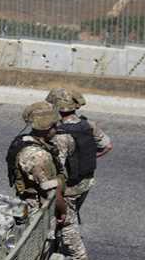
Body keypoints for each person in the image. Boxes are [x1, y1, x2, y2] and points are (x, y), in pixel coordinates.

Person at [8, 101, 92, 260]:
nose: (57, 128)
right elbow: (52, 193)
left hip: (30, 202)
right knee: (39, 249)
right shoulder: (39, 156)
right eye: (54, 125)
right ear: (46, 129)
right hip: (40, 208)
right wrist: (61, 211)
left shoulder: (27, 142)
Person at [47, 88, 112, 216]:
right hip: (86, 181)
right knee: (73, 212)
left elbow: (58, 167)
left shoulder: (59, 132)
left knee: (65, 219)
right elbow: (108, 146)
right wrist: (88, 157)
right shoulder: (88, 124)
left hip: (69, 187)